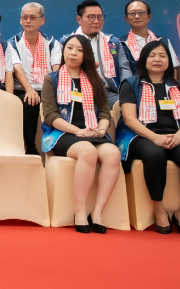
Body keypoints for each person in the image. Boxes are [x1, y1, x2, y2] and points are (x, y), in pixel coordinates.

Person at [40, 34, 120, 233]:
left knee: (113, 153)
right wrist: (78, 131)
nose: (73, 53)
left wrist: (101, 130)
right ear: (63, 52)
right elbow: (51, 115)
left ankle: (98, 212)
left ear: (87, 55)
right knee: (87, 152)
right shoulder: (52, 79)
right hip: (63, 133)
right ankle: (80, 211)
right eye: (69, 48)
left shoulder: (95, 80)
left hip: (93, 132)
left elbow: (104, 112)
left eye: (80, 50)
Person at [116, 40, 180, 235]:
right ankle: (159, 210)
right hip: (140, 135)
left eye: (162, 56)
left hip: (174, 135)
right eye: (152, 56)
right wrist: (155, 138)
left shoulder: (177, 86)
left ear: (169, 61)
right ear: (144, 60)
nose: (157, 59)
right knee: (155, 155)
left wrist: (179, 136)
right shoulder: (131, 84)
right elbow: (129, 119)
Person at [9, 3, 62, 155]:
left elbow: (56, 70)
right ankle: (30, 146)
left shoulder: (52, 43)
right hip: (23, 89)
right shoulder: (12, 43)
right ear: (20, 20)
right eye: (25, 17)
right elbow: (17, 69)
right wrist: (30, 90)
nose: (28, 21)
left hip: (47, 88)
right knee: (29, 101)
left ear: (42, 20)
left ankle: (58, 144)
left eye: (33, 17)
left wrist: (52, 92)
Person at [60, 0, 131, 107]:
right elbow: (61, 69)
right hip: (77, 89)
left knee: (127, 105)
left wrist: (126, 90)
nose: (97, 21)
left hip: (107, 92)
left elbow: (124, 68)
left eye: (100, 17)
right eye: (91, 17)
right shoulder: (66, 42)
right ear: (79, 19)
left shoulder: (113, 42)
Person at [120, 0, 180, 80]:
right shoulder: (121, 44)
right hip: (136, 85)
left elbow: (173, 68)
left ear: (149, 16)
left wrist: (171, 86)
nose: (137, 16)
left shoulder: (163, 41)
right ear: (126, 18)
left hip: (163, 85)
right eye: (132, 13)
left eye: (141, 12)